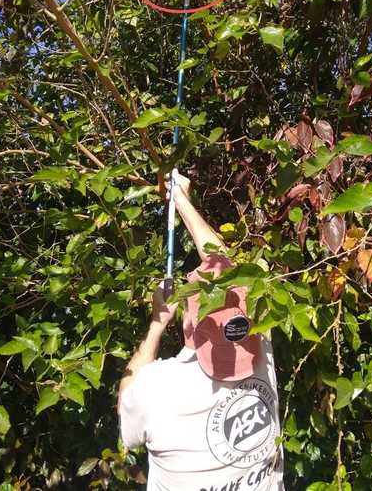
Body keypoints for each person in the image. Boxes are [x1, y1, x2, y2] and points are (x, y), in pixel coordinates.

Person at [118, 169, 284, 490]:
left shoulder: (157, 390)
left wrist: (156, 324)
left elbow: (126, 416)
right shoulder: (260, 348)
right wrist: (182, 200)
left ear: (187, 321)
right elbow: (222, 263)